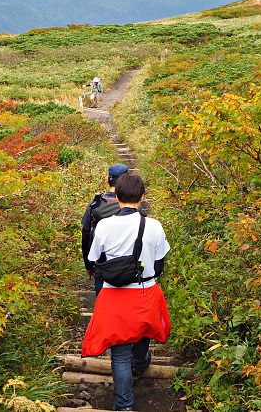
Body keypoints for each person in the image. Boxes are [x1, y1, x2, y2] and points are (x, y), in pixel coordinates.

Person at [82, 174, 171, 412]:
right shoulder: (154, 226)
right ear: (143, 197)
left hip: (114, 296)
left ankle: (124, 405)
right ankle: (140, 363)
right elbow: (159, 264)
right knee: (143, 331)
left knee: (119, 353)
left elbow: (95, 260)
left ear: (117, 197)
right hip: (144, 292)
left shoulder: (103, 225)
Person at [81, 163, 129, 295]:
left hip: (102, 264)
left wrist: (89, 264)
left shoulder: (96, 204)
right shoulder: (132, 205)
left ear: (108, 180)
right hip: (128, 266)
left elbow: (85, 233)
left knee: (103, 305)